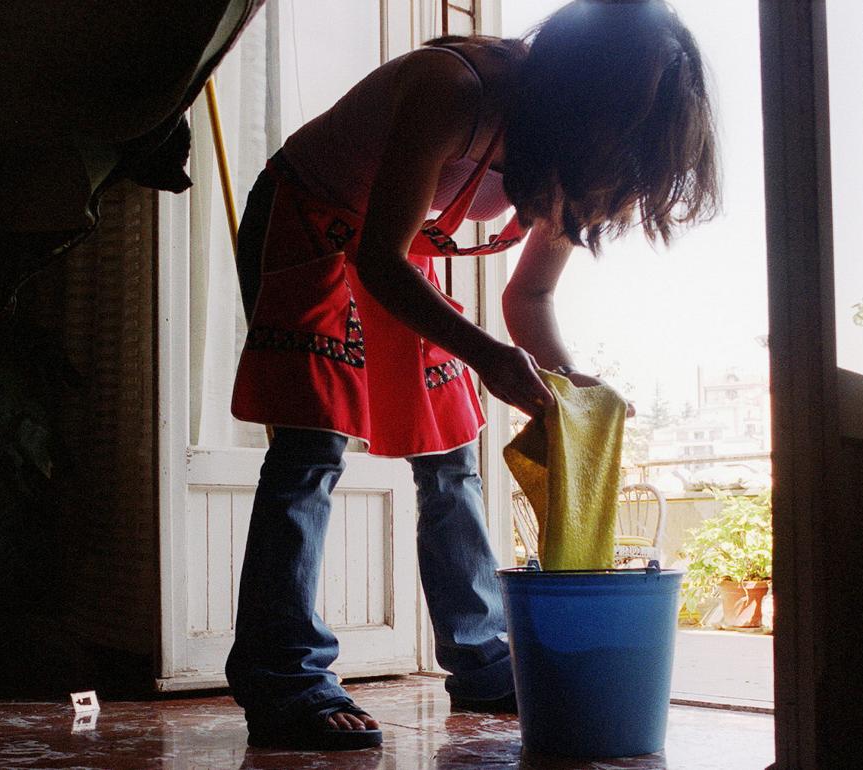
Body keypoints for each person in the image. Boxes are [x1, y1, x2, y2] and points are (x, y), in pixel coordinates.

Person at [225, 0, 718, 751]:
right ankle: (282, 674)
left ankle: (483, 658)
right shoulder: (453, 91)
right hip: (310, 220)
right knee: (310, 448)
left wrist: (569, 387)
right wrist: (488, 356)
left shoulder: (566, 161)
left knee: (450, 454)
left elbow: (531, 297)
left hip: (395, 251)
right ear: (581, 105)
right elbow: (378, 262)